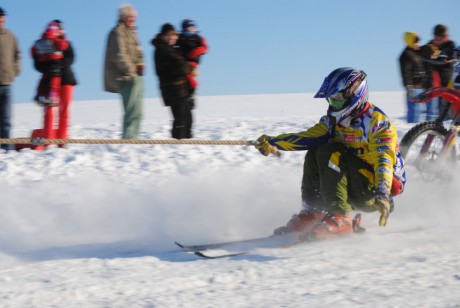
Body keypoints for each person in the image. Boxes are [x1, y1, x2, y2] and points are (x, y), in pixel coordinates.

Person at [255, 68, 406, 238]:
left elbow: (383, 160)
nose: (334, 104)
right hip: (355, 180)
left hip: (375, 192)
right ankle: (314, 212)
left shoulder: (377, 124)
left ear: (355, 93)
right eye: (331, 99)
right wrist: (273, 143)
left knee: (329, 152)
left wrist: (382, 192)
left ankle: (342, 217)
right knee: (315, 150)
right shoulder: (333, 121)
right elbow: (308, 137)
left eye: (338, 98)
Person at [33, 20, 77, 144]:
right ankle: (48, 139)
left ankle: (62, 140)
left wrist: (59, 65)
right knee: (49, 110)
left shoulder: (66, 43)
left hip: (66, 80)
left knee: (64, 110)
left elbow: (71, 58)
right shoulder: (42, 45)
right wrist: (49, 68)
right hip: (49, 81)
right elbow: (37, 64)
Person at [104, 4, 144, 139]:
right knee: (131, 110)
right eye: (130, 17)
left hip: (135, 77)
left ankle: (135, 137)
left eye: (134, 18)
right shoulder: (117, 33)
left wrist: (140, 65)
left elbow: (138, 53)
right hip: (125, 78)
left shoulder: (132, 33)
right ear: (122, 17)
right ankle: (129, 139)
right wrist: (132, 71)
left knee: (138, 111)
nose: (133, 20)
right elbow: (119, 55)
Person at [152, 23, 193, 139]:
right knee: (180, 119)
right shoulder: (162, 50)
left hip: (182, 89)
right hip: (172, 89)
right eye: (169, 35)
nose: (172, 37)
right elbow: (179, 67)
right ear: (163, 36)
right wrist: (189, 67)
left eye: (174, 35)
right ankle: (177, 144)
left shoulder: (172, 49)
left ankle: (187, 144)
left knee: (188, 119)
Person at [31, 21, 69, 108]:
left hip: (44, 64)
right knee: (54, 82)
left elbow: (33, 51)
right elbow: (63, 45)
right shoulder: (55, 40)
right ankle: (52, 96)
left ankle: (39, 95)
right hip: (55, 64)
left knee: (43, 80)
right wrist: (63, 37)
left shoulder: (39, 42)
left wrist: (38, 57)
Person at [422, 24, 456, 117]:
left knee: (448, 108)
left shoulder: (450, 45)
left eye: (440, 37)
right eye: (436, 36)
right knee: (436, 111)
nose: (437, 39)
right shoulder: (431, 45)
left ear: (445, 36)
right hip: (434, 83)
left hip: (447, 82)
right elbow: (424, 56)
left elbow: (449, 55)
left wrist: (441, 56)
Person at [399, 32, 433, 123]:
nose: (418, 44)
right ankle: (411, 131)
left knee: (427, 112)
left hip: (422, 87)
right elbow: (406, 72)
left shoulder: (417, 52)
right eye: (415, 41)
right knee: (415, 113)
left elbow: (429, 50)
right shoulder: (405, 55)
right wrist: (409, 86)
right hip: (413, 88)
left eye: (418, 41)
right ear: (409, 41)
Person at [0, 7, 20, 152]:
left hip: (7, 83)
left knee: (6, 120)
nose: (2, 21)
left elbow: (17, 54)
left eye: (3, 19)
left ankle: (5, 147)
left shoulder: (11, 36)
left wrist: (15, 70)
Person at [176, 19, 209, 107]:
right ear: (184, 28)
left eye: (192, 27)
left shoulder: (198, 38)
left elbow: (205, 48)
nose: (191, 29)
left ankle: (191, 97)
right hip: (182, 63)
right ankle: (185, 97)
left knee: (191, 81)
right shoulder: (180, 37)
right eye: (188, 27)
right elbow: (169, 38)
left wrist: (196, 51)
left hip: (193, 65)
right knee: (183, 81)